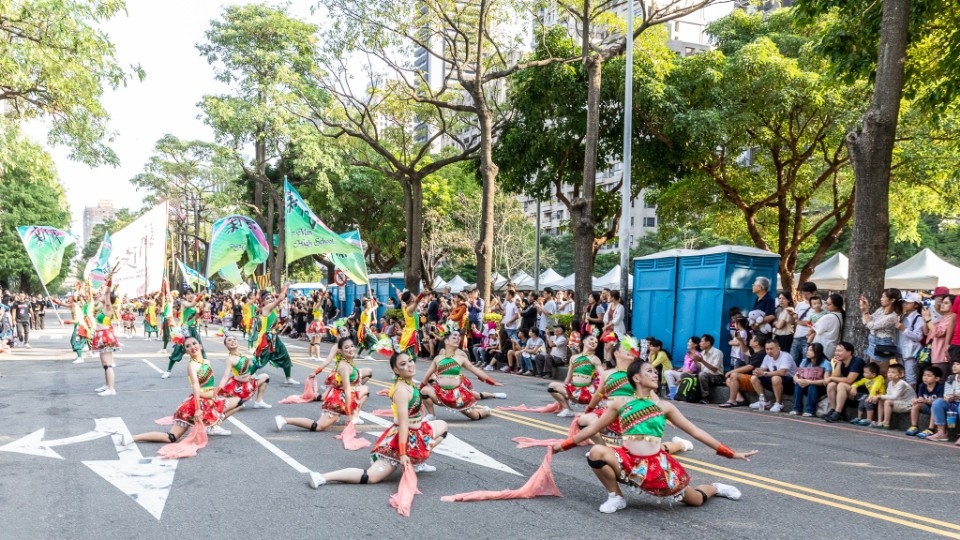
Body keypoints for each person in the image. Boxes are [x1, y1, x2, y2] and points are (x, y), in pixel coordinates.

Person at [552, 359, 755, 514]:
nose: (656, 374)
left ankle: (715, 487)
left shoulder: (664, 406)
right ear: (636, 378)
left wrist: (730, 453)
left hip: (658, 466)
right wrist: (564, 445)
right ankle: (616, 496)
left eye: (656, 372)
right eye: (650, 371)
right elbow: (592, 428)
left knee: (695, 500)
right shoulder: (620, 403)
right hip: (627, 460)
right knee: (596, 452)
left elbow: (696, 432)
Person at [308, 351, 449, 488]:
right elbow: (403, 423)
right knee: (370, 477)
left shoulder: (408, 383)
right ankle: (322, 477)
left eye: (410, 361)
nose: (410, 365)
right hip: (402, 438)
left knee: (443, 426)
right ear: (396, 370)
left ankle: (417, 462)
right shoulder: (402, 391)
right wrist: (403, 453)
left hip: (416, 432)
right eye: (403, 364)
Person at [126, 337, 231, 444]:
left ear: (200, 345)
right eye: (188, 346)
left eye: (194, 343)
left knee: (234, 404)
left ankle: (211, 427)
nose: (192, 347)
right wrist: (198, 409)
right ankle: (133, 437)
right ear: (186, 351)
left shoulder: (207, 362)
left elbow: (209, 384)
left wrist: (215, 393)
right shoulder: (192, 365)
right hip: (195, 405)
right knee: (171, 437)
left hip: (209, 401)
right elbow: (195, 386)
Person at [276, 336, 370, 432]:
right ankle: (284, 420)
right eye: (347, 347)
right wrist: (349, 415)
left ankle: (355, 416)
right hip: (338, 400)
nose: (351, 349)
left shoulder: (348, 361)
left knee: (365, 390)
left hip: (341, 394)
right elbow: (347, 390)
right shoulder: (344, 367)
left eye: (352, 346)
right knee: (319, 426)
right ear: (340, 351)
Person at [418, 323, 505, 421]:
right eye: (454, 337)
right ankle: (431, 415)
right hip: (441, 393)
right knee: (424, 391)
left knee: (475, 416)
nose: (458, 338)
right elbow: (426, 376)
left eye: (458, 337)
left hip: (457, 395)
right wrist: (419, 388)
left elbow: (475, 370)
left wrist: (492, 382)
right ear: (446, 341)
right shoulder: (438, 358)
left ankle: (486, 410)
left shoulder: (461, 357)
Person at [548, 334, 602, 417]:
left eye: (596, 342)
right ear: (584, 341)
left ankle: (594, 409)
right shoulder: (574, 358)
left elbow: (603, 375)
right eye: (591, 339)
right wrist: (564, 390)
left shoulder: (595, 359)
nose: (593, 342)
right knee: (552, 386)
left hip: (587, 393)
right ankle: (567, 409)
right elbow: (569, 377)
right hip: (573, 390)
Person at [217, 334, 271, 412]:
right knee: (235, 404)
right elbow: (225, 376)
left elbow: (250, 369)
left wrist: (258, 362)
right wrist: (219, 389)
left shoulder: (242, 355)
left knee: (265, 376)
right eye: (229, 340)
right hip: (238, 388)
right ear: (226, 345)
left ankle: (259, 402)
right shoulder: (230, 359)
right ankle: (237, 401)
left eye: (234, 339)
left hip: (249, 382)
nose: (232, 341)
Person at [161, 288, 207, 379]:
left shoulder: (195, 306)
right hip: (184, 330)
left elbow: (196, 317)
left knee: (199, 351)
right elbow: (192, 304)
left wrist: (202, 308)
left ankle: (201, 371)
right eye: (188, 294)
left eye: (192, 293)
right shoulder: (184, 303)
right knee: (177, 351)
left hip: (193, 330)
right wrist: (201, 295)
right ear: (184, 296)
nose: (190, 295)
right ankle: (168, 370)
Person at [91, 274, 122, 396]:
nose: (102, 295)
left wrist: (110, 280)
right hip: (100, 335)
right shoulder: (102, 307)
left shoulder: (108, 307)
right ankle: (107, 384)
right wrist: (106, 281)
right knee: (104, 363)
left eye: (104, 295)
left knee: (107, 363)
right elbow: (105, 291)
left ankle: (111, 388)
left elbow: (108, 292)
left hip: (105, 336)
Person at [859, 288, 903, 371]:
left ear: (892, 300)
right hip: (873, 341)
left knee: (882, 372)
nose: (881, 299)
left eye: (883, 297)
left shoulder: (893, 316)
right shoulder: (880, 310)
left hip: (883, 343)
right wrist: (864, 309)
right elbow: (866, 321)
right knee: (873, 371)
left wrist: (865, 311)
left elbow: (871, 325)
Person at [748, 339, 797, 413]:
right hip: (775, 381)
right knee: (754, 378)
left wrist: (764, 373)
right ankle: (763, 402)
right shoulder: (767, 357)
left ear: (778, 348)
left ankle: (779, 404)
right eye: (767, 349)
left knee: (775, 378)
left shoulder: (786, 356)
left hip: (790, 382)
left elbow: (782, 372)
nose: (769, 351)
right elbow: (762, 368)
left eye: (771, 349)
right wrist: (757, 370)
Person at [822, 341, 866, 422]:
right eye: (836, 351)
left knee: (841, 385)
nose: (836, 353)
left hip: (860, 393)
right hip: (847, 391)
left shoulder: (857, 361)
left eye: (840, 351)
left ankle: (838, 412)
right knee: (831, 385)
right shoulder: (840, 362)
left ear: (849, 352)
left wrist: (831, 378)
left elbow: (849, 380)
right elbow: (834, 378)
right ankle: (834, 410)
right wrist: (838, 365)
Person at [720, 335, 767, 408]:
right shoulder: (755, 352)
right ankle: (740, 399)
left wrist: (731, 371)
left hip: (758, 380)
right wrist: (740, 340)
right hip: (751, 379)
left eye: (752, 339)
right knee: (729, 380)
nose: (750, 340)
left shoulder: (761, 353)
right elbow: (745, 351)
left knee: (734, 375)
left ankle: (732, 400)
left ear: (756, 343)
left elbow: (749, 367)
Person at [790, 342, 832, 417]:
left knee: (812, 386)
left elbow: (826, 381)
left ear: (817, 352)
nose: (807, 352)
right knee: (798, 384)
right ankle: (797, 409)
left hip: (819, 388)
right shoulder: (804, 361)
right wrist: (798, 380)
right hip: (805, 384)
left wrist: (809, 382)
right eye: (808, 350)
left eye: (811, 350)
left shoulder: (826, 363)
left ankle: (810, 410)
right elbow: (796, 376)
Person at [924, 359, 960, 442]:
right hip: (953, 403)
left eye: (958, 364)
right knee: (937, 402)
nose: (954, 366)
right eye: (953, 364)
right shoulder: (951, 378)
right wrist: (948, 397)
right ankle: (941, 433)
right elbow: (947, 393)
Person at [905, 365, 943, 437]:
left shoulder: (940, 387)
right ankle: (914, 426)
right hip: (926, 407)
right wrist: (916, 400)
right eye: (924, 375)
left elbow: (939, 403)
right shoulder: (922, 386)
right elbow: (920, 398)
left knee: (934, 407)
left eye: (929, 376)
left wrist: (925, 401)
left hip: (936, 410)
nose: (925, 377)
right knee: (916, 405)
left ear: (937, 378)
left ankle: (931, 429)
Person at [874, 363, 916, 429]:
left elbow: (894, 397)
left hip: (908, 404)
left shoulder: (901, 383)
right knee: (882, 400)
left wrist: (880, 396)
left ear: (901, 374)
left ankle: (886, 422)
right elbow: (888, 395)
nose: (890, 374)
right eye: (889, 372)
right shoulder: (890, 383)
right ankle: (879, 421)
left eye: (893, 372)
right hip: (899, 402)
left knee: (887, 401)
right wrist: (880, 397)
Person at [924, 295, 956, 377]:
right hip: (936, 355)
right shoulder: (942, 318)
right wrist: (926, 319)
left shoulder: (951, 319)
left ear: (954, 305)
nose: (942, 304)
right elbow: (926, 332)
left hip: (942, 356)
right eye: (942, 302)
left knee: (941, 381)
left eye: (946, 303)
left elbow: (938, 332)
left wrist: (928, 319)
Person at [897, 292, 925, 386]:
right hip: (901, 351)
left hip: (911, 353)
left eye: (908, 302)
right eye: (904, 302)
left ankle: (912, 399)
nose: (905, 304)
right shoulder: (902, 316)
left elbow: (918, 336)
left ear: (916, 305)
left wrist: (904, 330)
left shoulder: (918, 318)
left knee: (910, 377)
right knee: (901, 377)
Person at [808, 293, 844, 359]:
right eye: (826, 303)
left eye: (829, 304)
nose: (826, 306)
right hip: (830, 348)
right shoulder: (840, 316)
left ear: (836, 305)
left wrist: (808, 335)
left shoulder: (828, 317)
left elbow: (814, 329)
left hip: (822, 348)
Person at [789, 283, 818, 362]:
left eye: (807, 294)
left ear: (814, 292)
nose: (805, 296)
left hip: (810, 338)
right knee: (793, 361)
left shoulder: (820, 305)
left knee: (807, 361)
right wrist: (791, 316)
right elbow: (793, 322)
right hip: (797, 337)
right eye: (803, 294)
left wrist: (802, 322)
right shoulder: (800, 304)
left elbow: (818, 323)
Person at [694, 334, 724, 404]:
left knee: (702, 374)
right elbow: (700, 368)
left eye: (701, 342)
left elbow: (715, 369)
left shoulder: (717, 353)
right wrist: (695, 360)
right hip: (705, 375)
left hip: (717, 377)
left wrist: (702, 361)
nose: (699, 344)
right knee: (685, 375)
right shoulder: (702, 353)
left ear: (708, 343)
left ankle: (705, 398)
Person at [306, 294, 326, 361]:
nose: (320, 298)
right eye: (319, 297)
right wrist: (322, 298)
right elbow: (320, 303)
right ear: (317, 299)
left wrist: (321, 297)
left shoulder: (315, 304)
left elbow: (318, 301)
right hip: (318, 324)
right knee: (317, 341)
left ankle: (311, 356)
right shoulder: (317, 305)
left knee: (313, 341)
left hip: (315, 323)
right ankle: (318, 357)